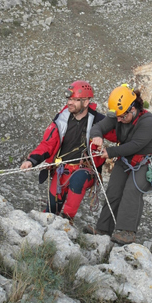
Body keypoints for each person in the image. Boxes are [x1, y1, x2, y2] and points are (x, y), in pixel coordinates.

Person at [20, 80, 116, 221]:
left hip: (85, 170)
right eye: (69, 99)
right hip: (62, 170)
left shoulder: (98, 120)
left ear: (87, 101)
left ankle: (66, 220)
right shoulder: (61, 120)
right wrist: (31, 160)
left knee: (78, 179)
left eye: (75, 100)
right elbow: (47, 144)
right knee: (51, 210)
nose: (70, 103)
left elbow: (119, 135)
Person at [84, 84, 152, 245]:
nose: (118, 120)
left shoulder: (149, 122)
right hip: (126, 158)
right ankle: (104, 228)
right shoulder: (119, 115)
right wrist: (97, 136)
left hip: (146, 161)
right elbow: (98, 127)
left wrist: (110, 152)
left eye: (122, 117)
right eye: (117, 117)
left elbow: (135, 145)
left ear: (133, 109)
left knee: (132, 190)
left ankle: (127, 232)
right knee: (113, 190)